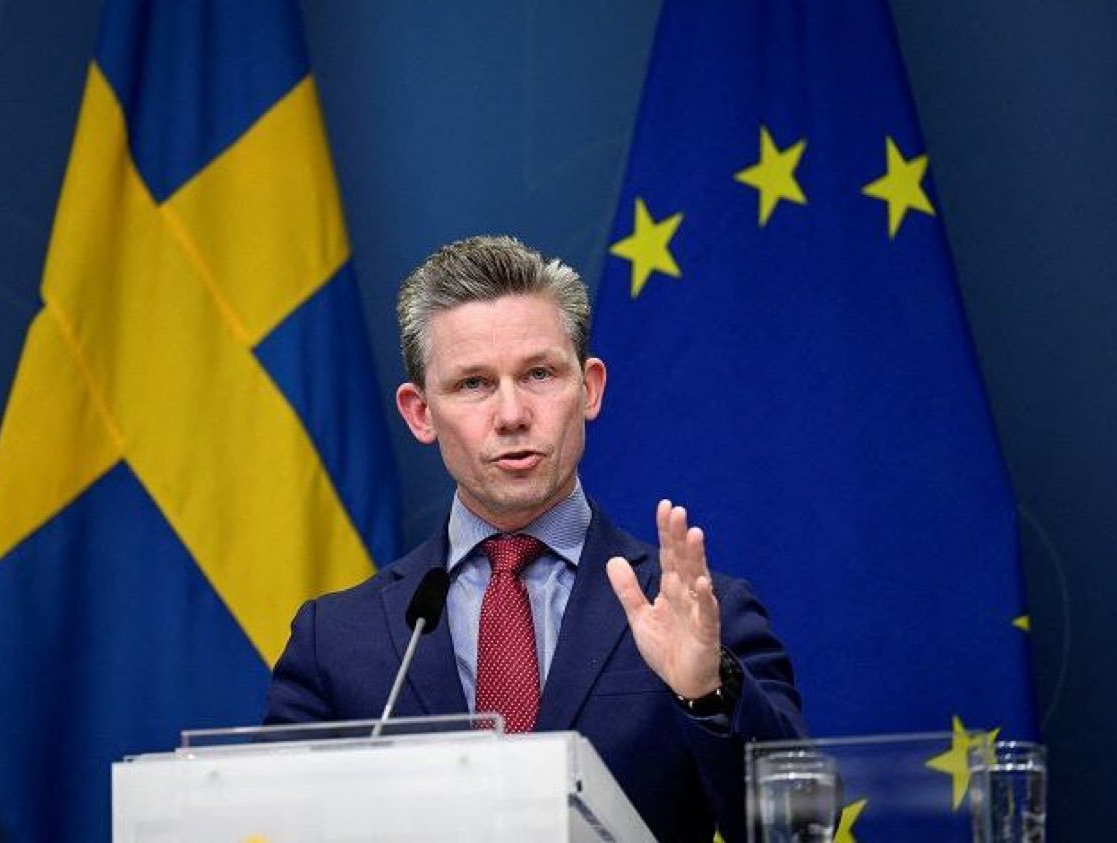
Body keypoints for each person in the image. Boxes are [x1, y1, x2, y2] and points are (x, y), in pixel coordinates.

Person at [264, 235, 805, 841]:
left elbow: (796, 825)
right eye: (473, 383)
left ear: (589, 388)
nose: (512, 415)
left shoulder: (700, 613)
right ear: (420, 413)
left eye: (539, 374)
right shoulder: (337, 641)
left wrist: (707, 691)